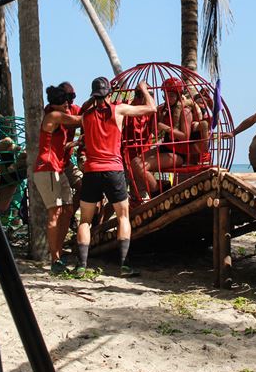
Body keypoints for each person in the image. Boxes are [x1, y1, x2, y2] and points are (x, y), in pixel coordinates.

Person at [75, 77, 156, 277]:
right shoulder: (118, 109)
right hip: (113, 169)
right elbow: (152, 108)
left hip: (92, 170)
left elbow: (86, 112)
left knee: (85, 220)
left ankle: (81, 266)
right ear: (109, 94)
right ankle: (124, 265)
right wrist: (144, 90)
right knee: (123, 217)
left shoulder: (86, 116)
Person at [32, 82, 81, 274]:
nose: (69, 104)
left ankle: (58, 254)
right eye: (66, 103)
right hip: (47, 169)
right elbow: (80, 120)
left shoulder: (57, 113)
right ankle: (55, 259)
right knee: (55, 213)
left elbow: (60, 143)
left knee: (68, 210)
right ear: (55, 105)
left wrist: (76, 142)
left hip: (57, 169)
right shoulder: (54, 115)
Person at [130, 77, 193, 199]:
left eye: (172, 96)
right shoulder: (163, 110)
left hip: (178, 153)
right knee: (134, 162)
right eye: (166, 95)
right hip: (165, 147)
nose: (169, 99)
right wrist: (156, 124)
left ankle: (158, 195)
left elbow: (185, 137)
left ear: (178, 96)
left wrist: (166, 128)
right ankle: (160, 186)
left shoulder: (185, 112)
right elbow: (155, 131)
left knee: (142, 167)